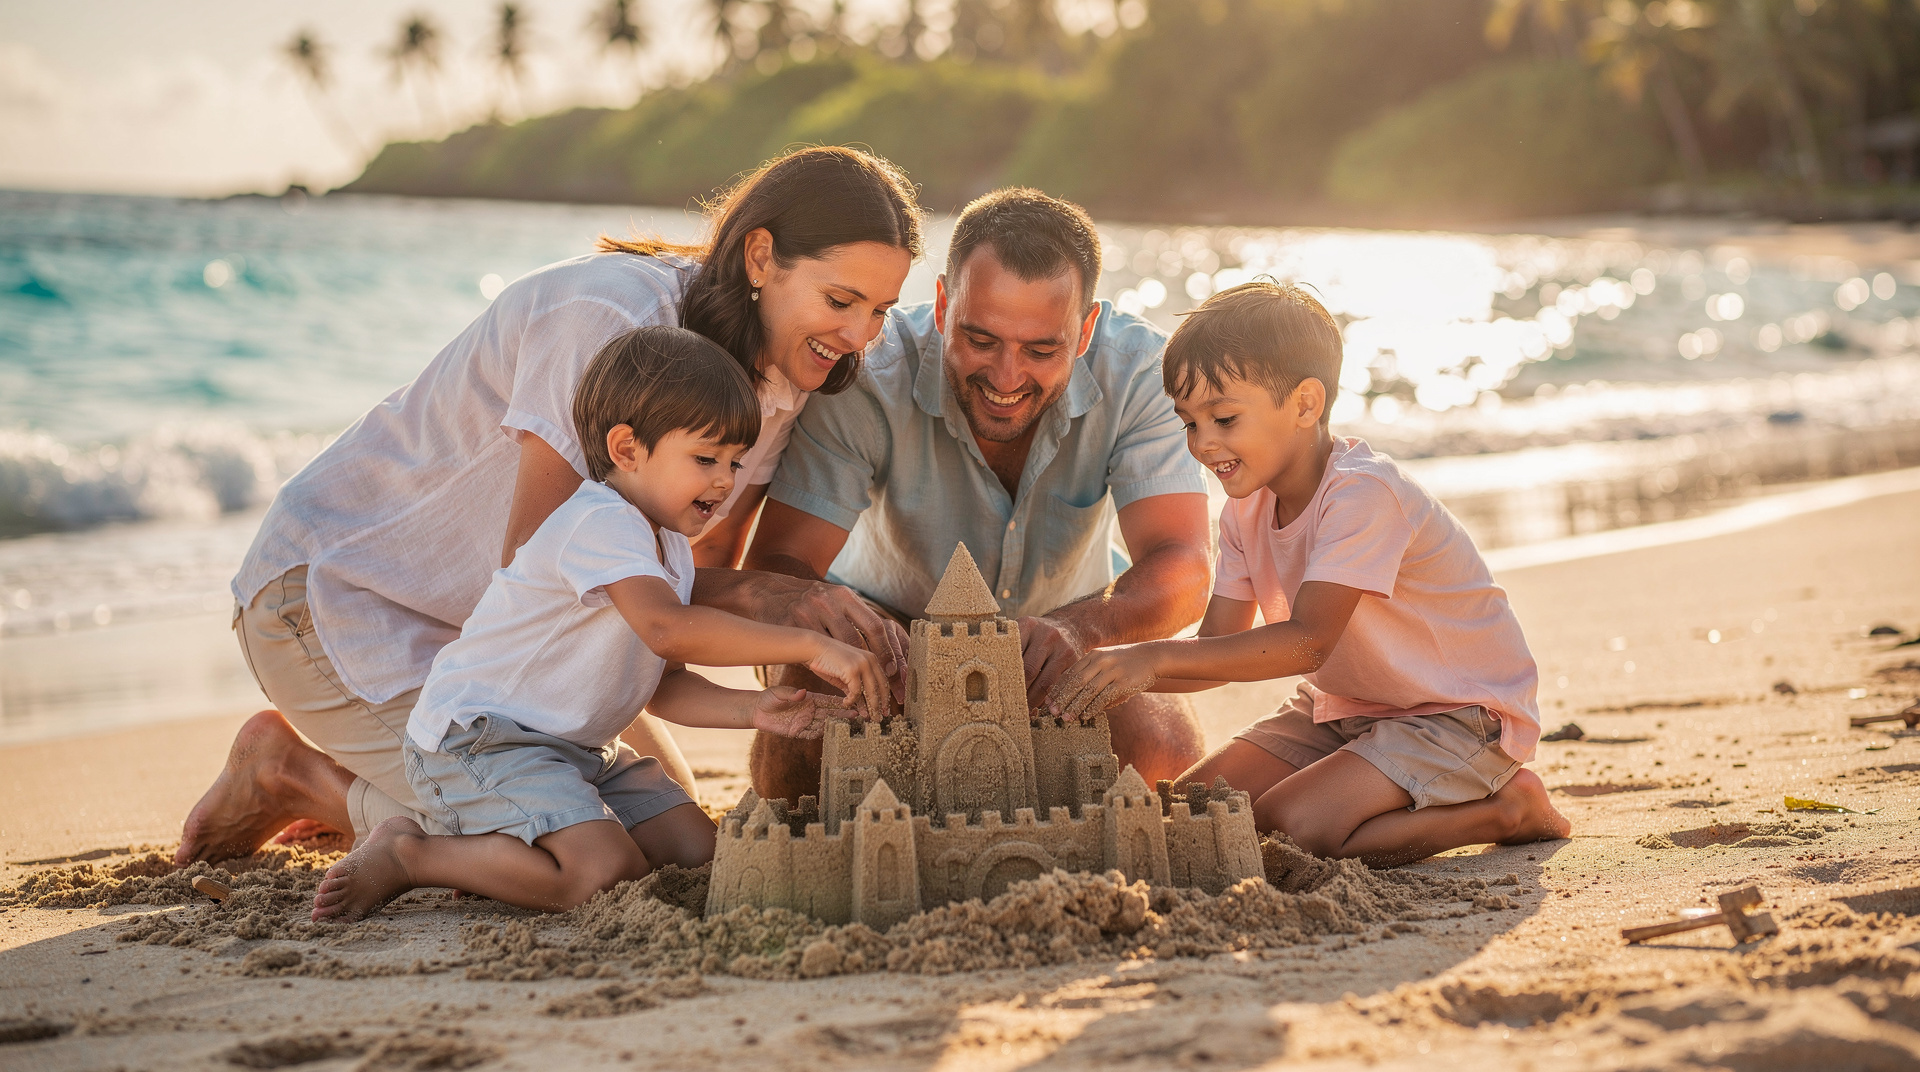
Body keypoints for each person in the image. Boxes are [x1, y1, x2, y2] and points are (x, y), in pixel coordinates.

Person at [178, 146, 922, 865]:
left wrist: (778, 648)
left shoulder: (790, 373)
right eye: (840, 301)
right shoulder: (612, 318)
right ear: (761, 257)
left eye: (881, 310)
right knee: (555, 840)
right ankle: (289, 774)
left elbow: (681, 585)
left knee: (669, 831)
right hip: (342, 599)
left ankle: (374, 776)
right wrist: (780, 600)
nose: (858, 336)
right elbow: (539, 567)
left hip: (515, 646)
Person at [311, 327, 888, 921]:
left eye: (735, 463)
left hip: (575, 748)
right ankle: (411, 855)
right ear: (627, 449)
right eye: (705, 459)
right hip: (480, 739)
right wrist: (809, 644)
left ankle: (510, 855)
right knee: (603, 872)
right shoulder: (599, 522)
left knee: (699, 853)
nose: (724, 481)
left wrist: (755, 708)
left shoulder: (668, 544)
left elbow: (663, 684)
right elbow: (667, 629)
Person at [1045, 281, 1571, 867]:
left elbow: (1308, 642)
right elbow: (1215, 649)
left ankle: (1507, 809)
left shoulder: (1363, 494)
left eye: (1223, 418)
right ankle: (1372, 790)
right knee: (1195, 810)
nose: (1203, 444)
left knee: (1290, 830)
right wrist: (1105, 669)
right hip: (1347, 707)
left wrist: (1154, 658)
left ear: (1304, 404)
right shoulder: (1245, 510)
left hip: (1458, 716)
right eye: (1189, 423)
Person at [728, 188, 1213, 803]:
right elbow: (780, 565)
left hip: (1073, 629)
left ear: (1086, 329)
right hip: (889, 632)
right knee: (797, 769)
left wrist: (1077, 629)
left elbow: (1186, 566)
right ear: (940, 306)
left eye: (1041, 350)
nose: (1006, 378)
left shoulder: (1139, 370)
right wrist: (841, 635)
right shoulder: (869, 376)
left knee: (1160, 760)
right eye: (980, 340)